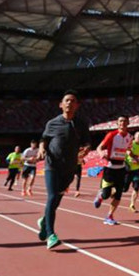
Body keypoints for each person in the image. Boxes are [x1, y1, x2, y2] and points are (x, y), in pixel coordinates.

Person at [37, 90, 91, 250]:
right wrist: (41, 149)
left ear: (77, 105)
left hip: (70, 168)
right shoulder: (52, 123)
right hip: (52, 165)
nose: (70, 103)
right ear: (61, 104)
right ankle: (51, 235)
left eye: (73, 100)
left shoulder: (82, 123)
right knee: (52, 197)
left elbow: (87, 142)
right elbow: (44, 139)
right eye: (67, 100)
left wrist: (87, 149)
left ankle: (43, 221)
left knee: (56, 201)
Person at [92, 116, 133, 225]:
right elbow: (99, 147)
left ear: (128, 123)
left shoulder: (130, 137)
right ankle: (100, 196)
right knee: (106, 195)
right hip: (110, 168)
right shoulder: (111, 135)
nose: (122, 123)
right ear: (117, 123)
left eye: (124, 121)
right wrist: (101, 153)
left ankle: (109, 216)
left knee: (119, 194)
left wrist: (131, 156)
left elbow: (128, 149)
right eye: (120, 121)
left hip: (121, 168)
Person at [124, 131, 139, 212]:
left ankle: (132, 205)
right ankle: (113, 190)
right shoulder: (130, 144)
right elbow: (128, 153)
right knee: (124, 189)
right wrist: (134, 159)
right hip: (128, 169)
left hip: (137, 170)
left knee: (136, 187)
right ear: (134, 137)